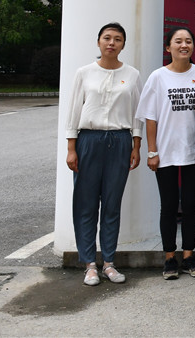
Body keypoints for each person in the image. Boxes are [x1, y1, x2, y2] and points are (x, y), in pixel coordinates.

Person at [65, 22, 142, 286]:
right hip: (89, 140)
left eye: (117, 39)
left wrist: (136, 145)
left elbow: (137, 113)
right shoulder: (84, 73)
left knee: (112, 203)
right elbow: (74, 111)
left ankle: (109, 262)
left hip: (120, 141)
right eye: (107, 38)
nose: (111, 43)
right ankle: (89, 264)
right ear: (98, 42)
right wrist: (71, 148)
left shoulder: (132, 74)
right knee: (85, 204)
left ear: (123, 44)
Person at [137, 27, 195, 280]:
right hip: (165, 152)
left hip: (194, 151)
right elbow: (150, 117)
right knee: (168, 206)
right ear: (168, 47)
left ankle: (189, 255)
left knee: (190, 206)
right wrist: (152, 151)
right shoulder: (158, 77)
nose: (184, 45)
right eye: (178, 41)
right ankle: (169, 257)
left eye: (188, 41)